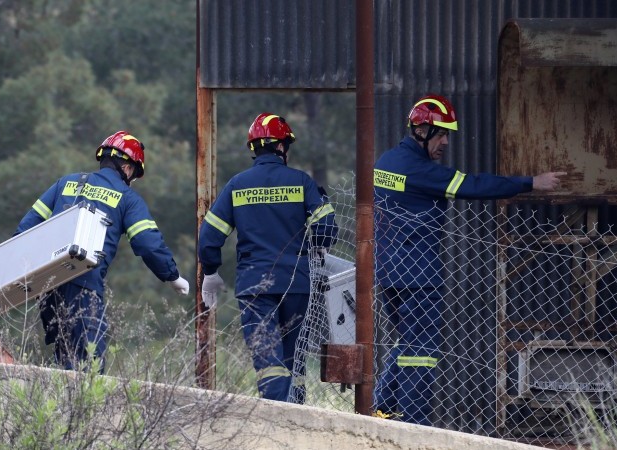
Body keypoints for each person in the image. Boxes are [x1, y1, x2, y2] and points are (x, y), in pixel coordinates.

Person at [372, 94, 565, 425]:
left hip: (389, 272)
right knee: (422, 351)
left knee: (406, 341)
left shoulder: (386, 163)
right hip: (419, 275)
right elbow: (473, 185)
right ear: (422, 130)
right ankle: (415, 425)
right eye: (442, 133)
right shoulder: (420, 171)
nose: (446, 141)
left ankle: (383, 408)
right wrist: (530, 183)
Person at [15, 131, 189, 371]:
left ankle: (62, 408)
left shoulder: (65, 183)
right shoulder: (127, 198)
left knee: (64, 355)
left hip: (47, 285)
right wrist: (172, 276)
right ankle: (81, 409)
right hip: (84, 284)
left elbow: (25, 229)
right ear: (127, 168)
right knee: (90, 362)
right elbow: (148, 244)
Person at [198, 113, 338, 403]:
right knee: (293, 360)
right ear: (282, 147)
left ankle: (276, 421)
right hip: (297, 285)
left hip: (255, 286)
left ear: (255, 148)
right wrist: (316, 247)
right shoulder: (301, 181)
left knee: (269, 361)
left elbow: (209, 238)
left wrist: (211, 272)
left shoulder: (237, 186)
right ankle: (297, 420)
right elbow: (327, 228)